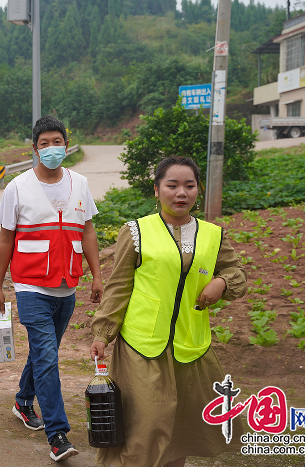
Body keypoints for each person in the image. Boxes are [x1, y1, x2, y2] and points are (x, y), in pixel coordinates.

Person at [89, 156, 247, 467]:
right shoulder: (136, 231)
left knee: (180, 427)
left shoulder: (213, 235)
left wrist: (222, 283)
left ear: (198, 190)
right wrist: (102, 333)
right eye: (172, 185)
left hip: (191, 346)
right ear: (157, 189)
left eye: (189, 186)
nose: (181, 193)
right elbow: (119, 285)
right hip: (142, 345)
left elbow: (238, 276)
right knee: (148, 423)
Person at [0, 115, 104, 462]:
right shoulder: (17, 187)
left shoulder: (80, 183)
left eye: (57, 142)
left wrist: (96, 275)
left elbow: (87, 232)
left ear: (66, 145)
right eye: (44, 144)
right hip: (29, 285)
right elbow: (5, 239)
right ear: (35, 149)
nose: (52, 148)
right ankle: (58, 435)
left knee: (44, 353)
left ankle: (23, 401)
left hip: (66, 285)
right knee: (47, 356)